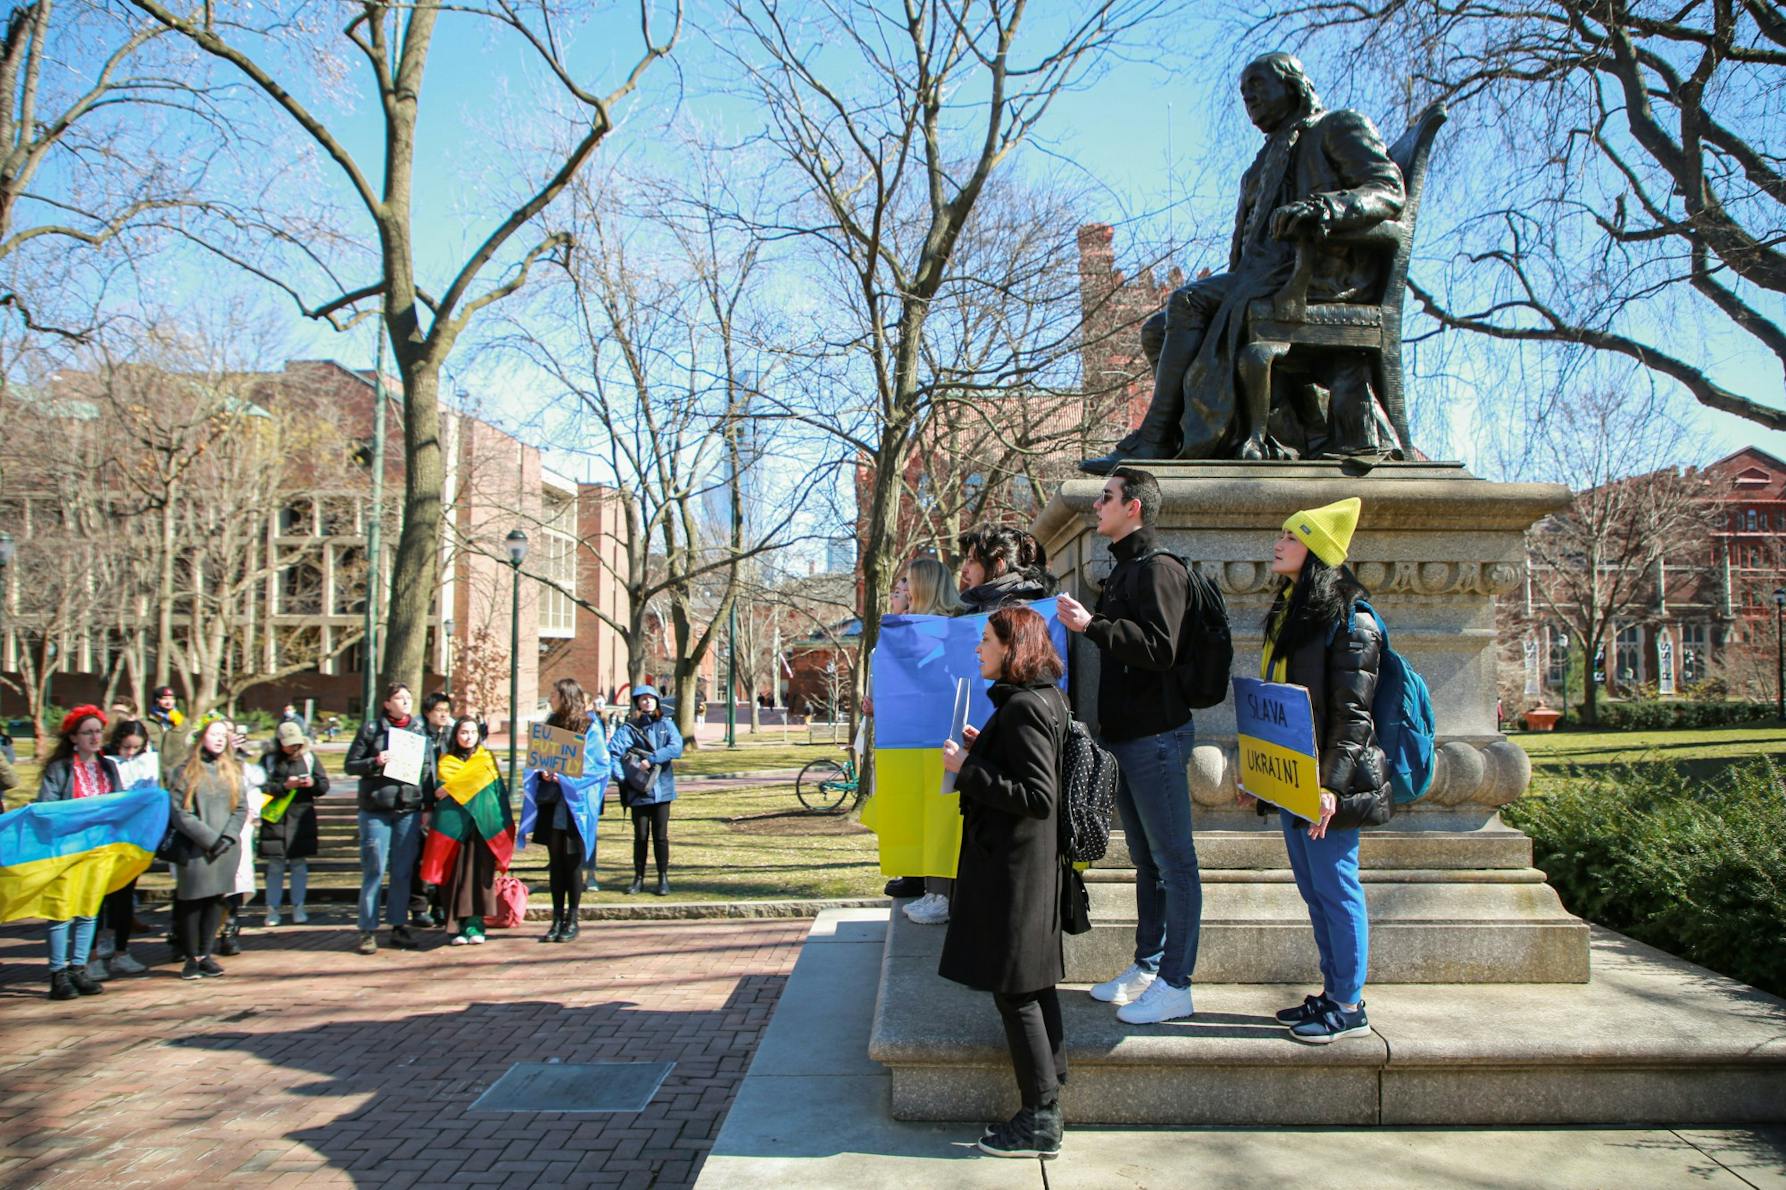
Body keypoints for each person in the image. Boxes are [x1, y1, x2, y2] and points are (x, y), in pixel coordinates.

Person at [1081, 52, 1406, 472]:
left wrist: (1327, 208)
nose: (1248, 96)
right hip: (1263, 277)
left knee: (1188, 302)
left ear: (1291, 85)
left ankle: (1154, 438)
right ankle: (1198, 439)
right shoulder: (1264, 160)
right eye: (1243, 90)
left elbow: (1388, 188)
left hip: (1318, 276)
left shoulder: (1337, 126)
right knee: (1157, 331)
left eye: (1257, 84)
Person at [1239, 496, 1388, 1044]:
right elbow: (1278, 706)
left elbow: (1353, 716)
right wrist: (1260, 775)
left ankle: (1349, 1005)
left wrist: (1330, 787)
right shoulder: (1295, 615)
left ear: (1318, 552)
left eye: (1291, 537)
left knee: (1336, 887)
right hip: (1296, 782)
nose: (1278, 544)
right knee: (1315, 888)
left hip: (1328, 785)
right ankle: (1332, 993)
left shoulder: (1353, 623)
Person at [1055, 467, 1201, 1025]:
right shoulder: (1124, 572)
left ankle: (1176, 984)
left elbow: (1160, 650)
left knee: (1175, 864)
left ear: (1133, 507)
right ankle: (1149, 965)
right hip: (1129, 740)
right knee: (1147, 862)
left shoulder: (1158, 569)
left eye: (1107, 497)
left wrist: (1093, 625)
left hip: (1156, 738)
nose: (1097, 505)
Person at [938, 607, 1069, 1159]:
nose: (978, 649)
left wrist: (968, 766)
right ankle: (1048, 1095)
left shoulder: (1023, 709)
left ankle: (1040, 1118)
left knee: (1016, 992)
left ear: (1012, 648)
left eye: (986, 640)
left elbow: (1039, 797)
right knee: (1032, 986)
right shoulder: (1043, 700)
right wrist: (983, 747)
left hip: (1016, 873)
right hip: (1029, 869)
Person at [885, 557, 969, 927]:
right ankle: (933, 888)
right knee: (926, 811)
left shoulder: (951, 630)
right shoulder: (915, 630)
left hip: (942, 735)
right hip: (918, 738)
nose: (904, 588)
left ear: (925, 585)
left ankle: (943, 894)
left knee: (943, 813)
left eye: (909, 581)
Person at [35, 706, 123, 999]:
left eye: (98, 731)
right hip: (65, 850)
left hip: (98, 849)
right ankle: (58, 973)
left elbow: (119, 804)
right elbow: (46, 808)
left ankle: (79, 967)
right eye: (88, 732)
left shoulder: (108, 766)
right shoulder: (59, 769)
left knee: (88, 910)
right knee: (61, 911)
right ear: (74, 737)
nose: (95, 737)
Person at [343, 682, 434, 955]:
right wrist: (375, 761)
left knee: (403, 871)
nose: (405, 702)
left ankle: (398, 924)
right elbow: (350, 764)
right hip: (376, 809)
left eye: (408, 697)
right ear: (387, 703)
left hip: (407, 808)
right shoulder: (372, 730)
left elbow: (428, 770)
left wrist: (426, 806)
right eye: (399, 698)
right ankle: (367, 929)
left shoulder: (419, 731)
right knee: (374, 868)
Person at [521, 679, 610, 938]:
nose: (550, 697)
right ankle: (556, 918)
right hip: (551, 801)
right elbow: (537, 760)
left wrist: (568, 777)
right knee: (555, 862)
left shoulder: (589, 726)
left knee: (571, 863)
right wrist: (543, 772)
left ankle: (573, 919)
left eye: (553, 694)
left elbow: (599, 766)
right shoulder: (550, 723)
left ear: (565, 697)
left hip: (574, 806)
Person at [165, 718, 250, 980]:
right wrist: (210, 839)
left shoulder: (233, 770)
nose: (219, 739)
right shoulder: (184, 771)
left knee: (216, 900)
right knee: (192, 902)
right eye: (214, 734)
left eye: (223, 736)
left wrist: (227, 837)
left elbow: (241, 807)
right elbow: (180, 812)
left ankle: (205, 953)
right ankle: (191, 956)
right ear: (202, 736)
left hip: (226, 848)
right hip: (195, 848)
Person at [433, 715, 517, 945]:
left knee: (480, 878)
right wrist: (452, 789)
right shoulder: (446, 761)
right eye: (463, 732)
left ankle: (475, 925)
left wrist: (453, 789)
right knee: (456, 878)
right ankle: (457, 926)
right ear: (455, 735)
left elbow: (495, 794)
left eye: (472, 732)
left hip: (482, 828)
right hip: (455, 830)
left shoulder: (486, 760)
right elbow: (440, 793)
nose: (468, 737)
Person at [94, 718, 157, 978]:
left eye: (135, 748)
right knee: (99, 898)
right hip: (106, 838)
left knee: (124, 898)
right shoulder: (105, 762)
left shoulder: (148, 762)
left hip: (133, 839)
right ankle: (97, 949)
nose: (129, 753)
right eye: (125, 747)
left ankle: (122, 950)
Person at [608, 686, 683, 896]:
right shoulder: (630, 728)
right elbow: (613, 751)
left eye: (651, 698)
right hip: (638, 791)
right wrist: (622, 778)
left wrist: (651, 759)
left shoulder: (666, 725)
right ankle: (638, 878)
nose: (648, 702)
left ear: (658, 702)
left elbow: (676, 747)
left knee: (660, 836)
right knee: (640, 836)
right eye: (643, 699)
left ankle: (663, 878)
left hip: (662, 790)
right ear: (637, 702)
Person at [259, 720, 329, 926]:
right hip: (275, 818)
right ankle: (272, 909)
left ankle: (299, 906)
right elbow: (260, 786)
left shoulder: (309, 757)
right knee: (275, 866)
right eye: (289, 744)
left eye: (296, 743)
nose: (293, 747)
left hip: (301, 819)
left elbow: (323, 784)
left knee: (299, 865)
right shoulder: (269, 760)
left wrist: (312, 783)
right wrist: (284, 786)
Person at [413, 691, 458, 926]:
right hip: (423, 804)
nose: (443, 715)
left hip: (447, 806)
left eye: (446, 710)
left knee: (445, 856)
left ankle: (441, 905)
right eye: (439, 710)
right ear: (428, 712)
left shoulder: (452, 737)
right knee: (421, 858)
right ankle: (419, 907)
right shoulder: (417, 737)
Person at [958, 524, 1057, 613]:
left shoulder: (1019, 612)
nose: (964, 569)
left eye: (971, 561)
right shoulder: (980, 606)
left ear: (999, 565)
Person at [147, 685, 190, 783]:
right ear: (157, 700)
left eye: (172, 699)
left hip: (178, 773)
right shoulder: (147, 723)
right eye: (164, 699)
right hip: (155, 773)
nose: (168, 702)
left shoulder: (184, 723)